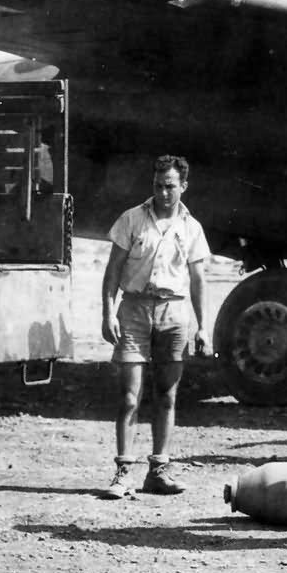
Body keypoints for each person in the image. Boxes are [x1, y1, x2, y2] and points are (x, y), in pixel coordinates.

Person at [99, 155, 210, 499]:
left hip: (174, 314)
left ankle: (158, 470)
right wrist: (107, 313)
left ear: (183, 187)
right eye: (158, 185)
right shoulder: (131, 220)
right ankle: (123, 473)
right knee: (129, 396)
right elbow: (112, 271)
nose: (163, 193)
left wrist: (203, 327)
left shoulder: (191, 227)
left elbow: (198, 280)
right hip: (133, 310)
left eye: (170, 186)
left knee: (167, 395)